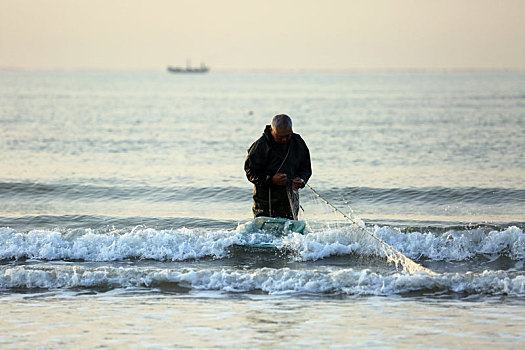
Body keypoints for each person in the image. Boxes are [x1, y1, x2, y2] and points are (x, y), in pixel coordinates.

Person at [244, 114, 312, 219]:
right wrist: (271, 179)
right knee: (264, 235)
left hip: (290, 202)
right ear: (272, 130)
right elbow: (250, 172)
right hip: (265, 204)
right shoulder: (261, 146)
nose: (285, 139)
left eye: (288, 135)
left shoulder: (298, 143)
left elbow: (306, 168)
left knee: (291, 234)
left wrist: (301, 180)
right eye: (280, 136)